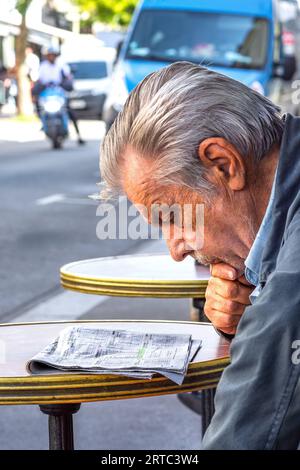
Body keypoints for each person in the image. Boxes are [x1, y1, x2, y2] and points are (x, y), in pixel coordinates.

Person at [98, 61, 300, 449]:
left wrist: (265, 324)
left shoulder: (290, 288)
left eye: (173, 216)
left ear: (223, 164)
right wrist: (250, 317)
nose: (176, 249)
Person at [33, 46, 85, 145]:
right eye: (49, 55)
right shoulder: (43, 67)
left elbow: (68, 78)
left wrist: (66, 83)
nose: (51, 57)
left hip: (60, 93)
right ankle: (43, 123)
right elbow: (38, 80)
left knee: (70, 111)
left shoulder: (62, 66)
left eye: (53, 55)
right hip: (47, 93)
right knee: (38, 107)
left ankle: (78, 135)